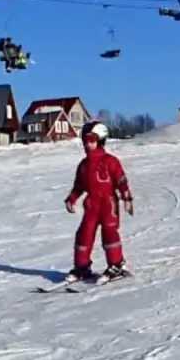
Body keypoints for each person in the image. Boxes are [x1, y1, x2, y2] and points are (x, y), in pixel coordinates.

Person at [64, 120, 134, 282]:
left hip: (108, 203)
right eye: (85, 141)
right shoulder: (83, 165)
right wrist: (72, 199)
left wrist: (127, 198)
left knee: (109, 232)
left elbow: (121, 181)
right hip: (91, 205)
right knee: (84, 234)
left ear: (101, 140)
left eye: (92, 141)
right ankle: (82, 267)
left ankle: (116, 264)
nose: (88, 145)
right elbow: (79, 185)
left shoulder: (111, 161)